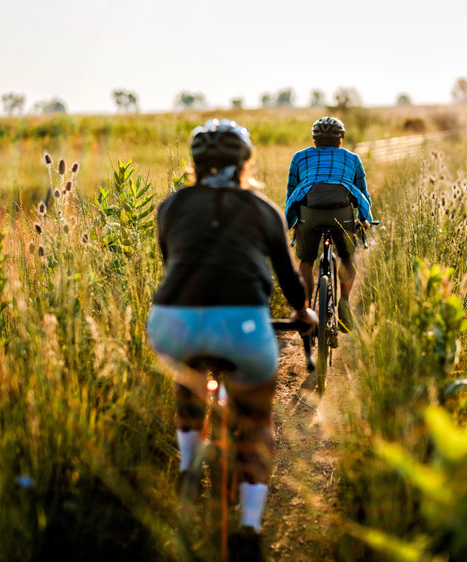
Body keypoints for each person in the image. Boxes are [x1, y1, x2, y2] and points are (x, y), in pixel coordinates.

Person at [147, 119, 317, 559]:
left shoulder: (170, 206)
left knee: (187, 384)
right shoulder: (262, 209)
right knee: (257, 420)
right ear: (245, 164)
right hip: (243, 326)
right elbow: (287, 279)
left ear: (195, 165)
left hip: (174, 322)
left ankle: (187, 465)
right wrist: (303, 313)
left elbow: (175, 264)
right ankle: (249, 525)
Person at [285, 116, 374, 329]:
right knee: (347, 258)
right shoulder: (352, 158)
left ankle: (305, 309)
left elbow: (291, 193)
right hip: (341, 215)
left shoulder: (299, 157)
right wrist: (363, 219)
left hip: (309, 215)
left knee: (306, 262)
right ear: (340, 141)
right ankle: (344, 301)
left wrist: (294, 221)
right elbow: (363, 194)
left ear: (314, 141)